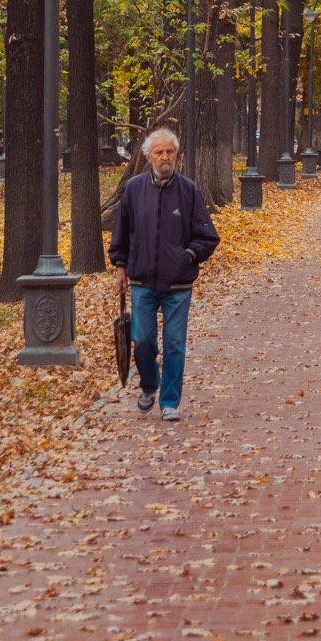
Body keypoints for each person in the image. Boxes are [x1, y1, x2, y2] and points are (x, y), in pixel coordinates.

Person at [109, 127, 219, 422]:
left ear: (177, 155)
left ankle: (170, 401)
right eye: (159, 152)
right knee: (142, 339)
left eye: (170, 151)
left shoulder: (189, 190)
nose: (165, 157)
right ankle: (149, 385)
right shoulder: (133, 189)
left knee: (174, 344)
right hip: (142, 281)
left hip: (178, 283)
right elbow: (121, 233)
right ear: (148, 156)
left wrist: (189, 255)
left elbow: (208, 237)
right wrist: (120, 267)